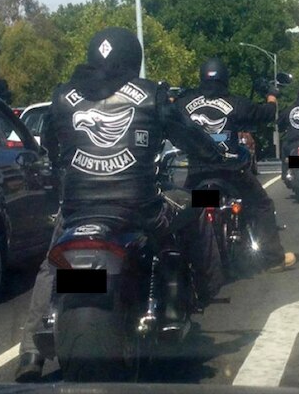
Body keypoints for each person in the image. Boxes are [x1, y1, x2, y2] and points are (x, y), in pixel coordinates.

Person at [15, 27, 228, 382]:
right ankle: (202, 293)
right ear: (133, 58)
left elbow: (51, 146)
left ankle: (31, 350)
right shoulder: (152, 94)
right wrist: (213, 154)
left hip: (78, 211)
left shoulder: (62, 96)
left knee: (51, 264)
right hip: (140, 209)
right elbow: (189, 135)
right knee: (195, 209)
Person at [175, 57, 297, 273]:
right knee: (261, 205)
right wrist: (271, 96)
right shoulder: (237, 103)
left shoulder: (184, 103)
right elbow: (266, 114)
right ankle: (273, 258)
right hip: (230, 173)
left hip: (198, 174)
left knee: (187, 212)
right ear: (225, 78)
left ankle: (184, 264)